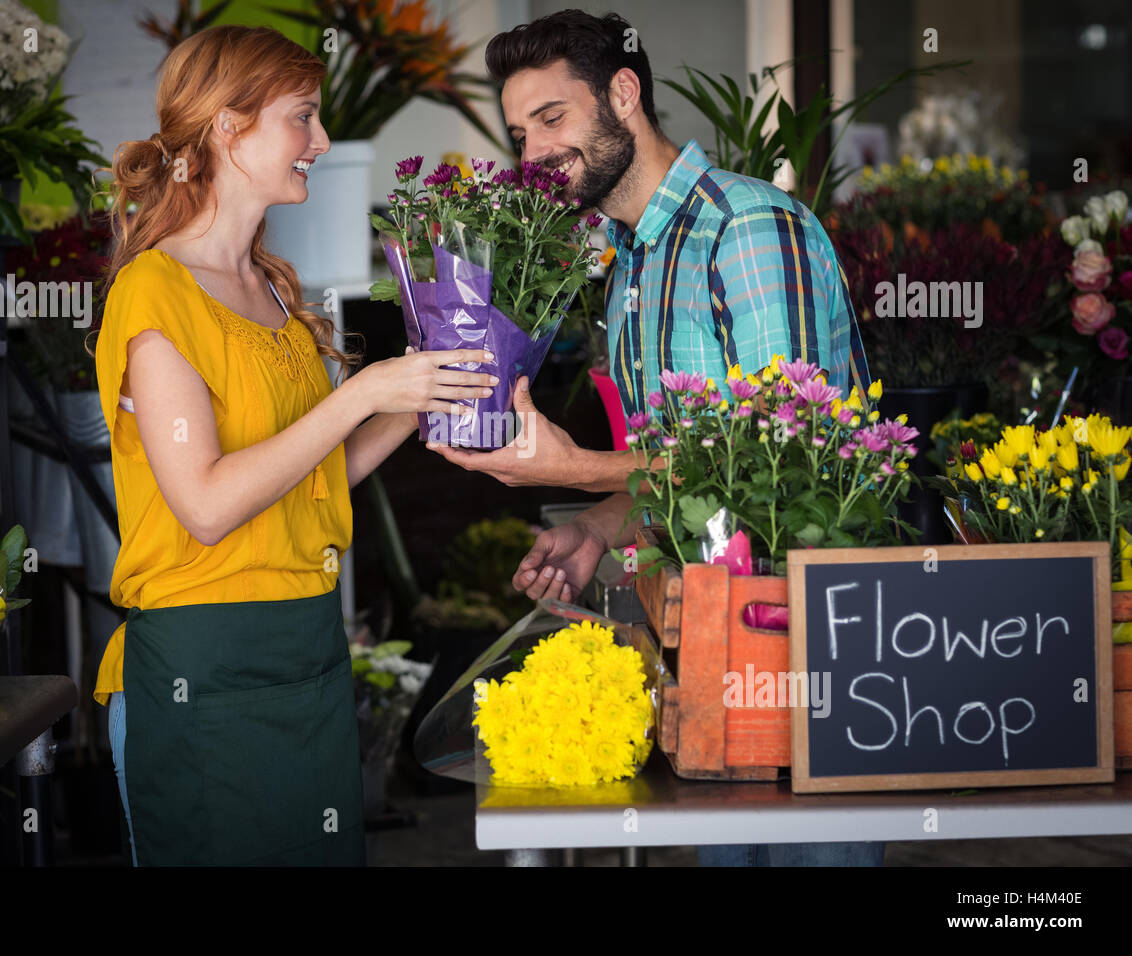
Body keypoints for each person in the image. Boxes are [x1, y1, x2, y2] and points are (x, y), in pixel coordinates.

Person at [430, 10, 881, 867]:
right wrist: (600, 523)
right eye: (521, 131)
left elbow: (782, 464)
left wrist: (570, 465)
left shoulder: (742, 230)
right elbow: (687, 464)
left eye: (553, 119)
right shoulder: (632, 258)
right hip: (717, 634)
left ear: (624, 95)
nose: (534, 153)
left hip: (816, 642)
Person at [87, 25, 496, 866]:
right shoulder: (154, 294)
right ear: (229, 130)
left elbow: (312, 477)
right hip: (205, 665)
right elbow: (203, 504)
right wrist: (361, 394)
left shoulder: (271, 286)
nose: (322, 141)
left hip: (305, 651)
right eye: (302, 118)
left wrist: (418, 400)